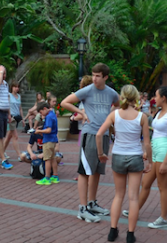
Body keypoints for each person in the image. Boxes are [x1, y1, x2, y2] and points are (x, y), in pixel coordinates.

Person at [61, 63, 120, 223]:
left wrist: (112, 118)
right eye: (93, 75)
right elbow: (65, 102)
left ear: (105, 77)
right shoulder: (87, 90)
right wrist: (81, 112)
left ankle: (92, 203)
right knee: (84, 172)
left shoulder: (111, 93)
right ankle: (82, 208)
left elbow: (119, 105)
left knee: (96, 171)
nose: (94, 78)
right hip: (90, 135)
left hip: (104, 135)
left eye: (98, 76)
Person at [122, 86, 167, 231]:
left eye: (156, 96)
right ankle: (134, 211)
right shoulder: (160, 112)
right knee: (146, 183)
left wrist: (166, 162)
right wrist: (148, 153)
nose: (154, 99)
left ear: (164, 98)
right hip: (156, 149)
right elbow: (155, 134)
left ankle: (163, 218)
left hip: (164, 151)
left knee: (162, 186)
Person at [96, 85, 151, 243]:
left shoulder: (115, 115)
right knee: (133, 198)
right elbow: (147, 143)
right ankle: (130, 234)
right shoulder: (142, 117)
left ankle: (113, 231)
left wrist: (101, 154)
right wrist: (151, 162)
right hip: (135, 156)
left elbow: (99, 134)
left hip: (119, 155)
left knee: (118, 195)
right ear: (136, 97)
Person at [34, 101, 60, 185]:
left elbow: (48, 130)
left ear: (45, 109)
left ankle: (47, 177)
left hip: (48, 140)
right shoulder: (53, 114)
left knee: (47, 159)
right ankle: (55, 176)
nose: (42, 115)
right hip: (53, 140)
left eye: (41, 112)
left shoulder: (48, 117)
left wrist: (39, 131)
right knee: (53, 158)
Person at [4, 81, 23, 160]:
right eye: (15, 87)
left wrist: (23, 119)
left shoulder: (19, 96)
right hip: (11, 117)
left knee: (9, 137)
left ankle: (2, 151)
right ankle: (19, 155)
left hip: (17, 117)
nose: (17, 88)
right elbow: (7, 106)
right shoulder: (9, 95)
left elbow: (20, 108)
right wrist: (8, 115)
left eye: (18, 87)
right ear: (12, 87)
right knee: (15, 136)